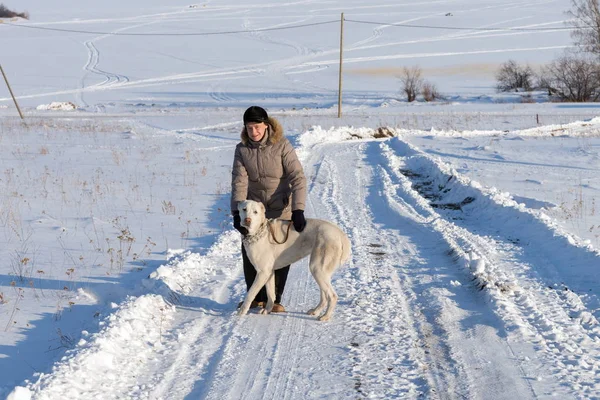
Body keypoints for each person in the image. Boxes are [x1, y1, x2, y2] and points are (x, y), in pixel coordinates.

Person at [231, 106, 307, 313]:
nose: (253, 132)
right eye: (249, 127)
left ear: (266, 125)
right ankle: (256, 297)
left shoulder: (282, 145)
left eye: (257, 127)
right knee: (250, 249)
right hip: (255, 210)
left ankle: (275, 300)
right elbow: (239, 181)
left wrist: (297, 209)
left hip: (280, 206)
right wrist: (238, 213)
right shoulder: (242, 149)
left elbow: (297, 177)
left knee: (279, 251)